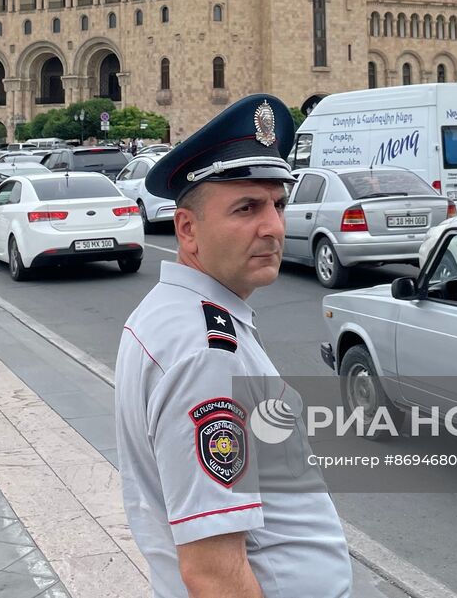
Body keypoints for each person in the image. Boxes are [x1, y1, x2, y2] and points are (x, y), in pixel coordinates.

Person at [114, 94, 353, 598]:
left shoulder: (176, 315)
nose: (273, 227)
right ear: (188, 230)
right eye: (246, 208)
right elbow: (212, 571)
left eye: (278, 205)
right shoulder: (206, 350)